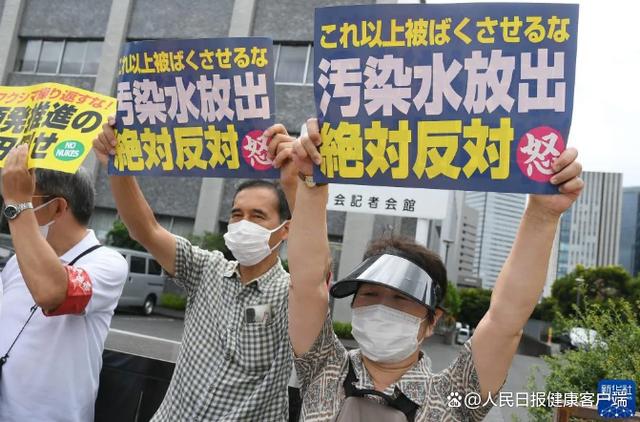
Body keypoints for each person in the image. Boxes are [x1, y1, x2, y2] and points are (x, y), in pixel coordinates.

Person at [287, 118, 584, 421]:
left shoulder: (455, 395)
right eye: (370, 294)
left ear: (433, 321)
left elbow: (504, 321)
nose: (380, 307)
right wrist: (311, 181)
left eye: (401, 298)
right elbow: (307, 285)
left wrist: (542, 215)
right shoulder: (323, 363)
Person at [93, 119, 299, 421]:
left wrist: (296, 184)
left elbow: (316, 276)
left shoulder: (292, 294)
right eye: (237, 215)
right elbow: (146, 229)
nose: (244, 224)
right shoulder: (205, 269)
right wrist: (118, 165)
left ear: (285, 230)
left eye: (258, 216)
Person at [0, 145, 128, 422]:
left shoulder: (107, 263)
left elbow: (52, 293)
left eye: (25, 201)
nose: (9, 213)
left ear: (57, 207)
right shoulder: (16, 262)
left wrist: (16, 204)